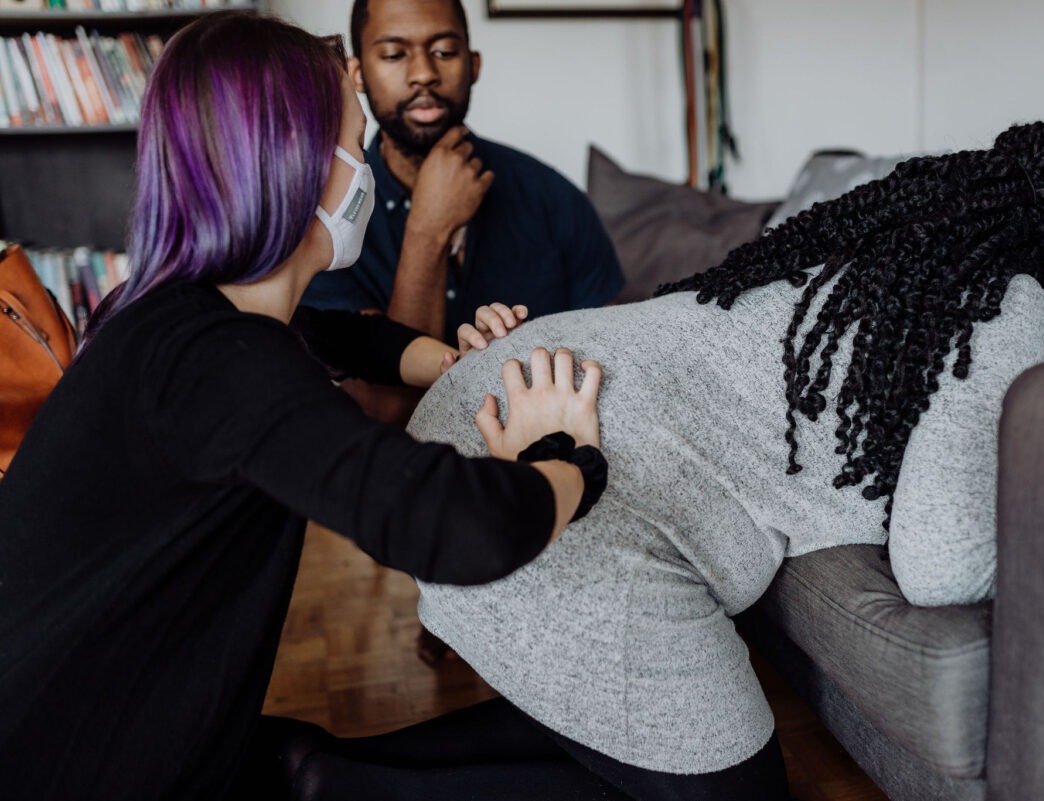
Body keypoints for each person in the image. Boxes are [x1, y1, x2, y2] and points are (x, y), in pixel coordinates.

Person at [393, 122, 1044, 798]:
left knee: (634, 729)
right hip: (541, 476)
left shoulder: (862, 255)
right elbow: (942, 568)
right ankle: (329, 779)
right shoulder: (1010, 300)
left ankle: (320, 767)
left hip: (487, 409)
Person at [0, 13, 611, 801]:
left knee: (311, 757)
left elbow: (336, 338)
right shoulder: (222, 362)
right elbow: (455, 525)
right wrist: (571, 461)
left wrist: (459, 361)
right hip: (72, 764)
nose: (366, 170)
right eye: (356, 147)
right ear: (296, 164)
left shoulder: (167, 315)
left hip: (92, 722)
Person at [302, 0, 625, 343]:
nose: (424, 73)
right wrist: (428, 230)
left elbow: (613, 357)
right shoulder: (324, 220)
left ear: (473, 65)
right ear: (358, 74)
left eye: (444, 51)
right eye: (395, 55)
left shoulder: (554, 199)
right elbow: (382, 398)